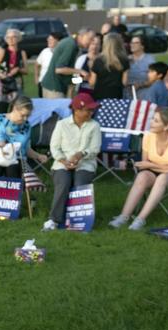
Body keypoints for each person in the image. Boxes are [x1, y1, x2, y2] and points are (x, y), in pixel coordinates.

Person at [109, 107, 168, 230]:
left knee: (162, 179)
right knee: (142, 176)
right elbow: (144, 164)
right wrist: (152, 166)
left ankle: (140, 219)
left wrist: (153, 166)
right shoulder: (148, 136)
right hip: (157, 170)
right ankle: (124, 216)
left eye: (156, 121)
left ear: (167, 126)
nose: (151, 122)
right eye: (152, 118)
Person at [42, 93, 102, 231]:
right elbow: (54, 148)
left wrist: (81, 154)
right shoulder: (61, 124)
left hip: (86, 163)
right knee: (63, 183)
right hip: (61, 163)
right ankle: (54, 220)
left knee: (80, 183)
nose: (92, 112)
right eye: (89, 110)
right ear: (77, 110)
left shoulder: (95, 126)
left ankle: (78, 221)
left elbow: (95, 149)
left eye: (92, 110)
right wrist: (64, 161)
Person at [0, 95, 48, 193]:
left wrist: (38, 156)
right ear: (15, 108)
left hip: (18, 158)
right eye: (22, 115)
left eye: (28, 115)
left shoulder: (27, 125)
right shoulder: (0, 120)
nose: (25, 118)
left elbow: (26, 149)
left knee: (13, 169)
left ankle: (12, 202)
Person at [41, 28, 95, 99]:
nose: (91, 43)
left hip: (58, 87)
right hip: (54, 89)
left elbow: (69, 77)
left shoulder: (73, 45)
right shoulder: (71, 45)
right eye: (90, 39)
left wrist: (82, 79)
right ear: (81, 36)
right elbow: (59, 69)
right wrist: (81, 71)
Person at [0, 29, 27, 113]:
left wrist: (18, 69)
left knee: (16, 109)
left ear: (18, 38)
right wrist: (2, 76)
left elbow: (26, 71)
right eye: (8, 37)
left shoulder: (22, 52)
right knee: (2, 109)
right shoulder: (2, 51)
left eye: (13, 37)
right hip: (5, 82)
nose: (11, 40)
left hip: (17, 82)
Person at [89, 33, 129, 101]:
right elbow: (124, 82)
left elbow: (92, 83)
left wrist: (90, 68)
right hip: (116, 96)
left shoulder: (98, 60)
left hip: (99, 96)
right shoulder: (124, 60)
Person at [126, 34, 155, 99]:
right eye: (131, 42)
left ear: (142, 46)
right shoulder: (126, 59)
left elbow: (154, 79)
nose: (132, 45)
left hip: (143, 96)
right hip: (127, 96)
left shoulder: (149, 59)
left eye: (136, 43)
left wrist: (139, 85)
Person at [35, 32, 61, 98]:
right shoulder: (45, 51)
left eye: (51, 39)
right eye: (48, 39)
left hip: (55, 84)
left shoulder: (62, 53)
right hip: (42, 82)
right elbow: (37, 64)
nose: (48, 41)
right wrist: (36, 77)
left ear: (58, 41)